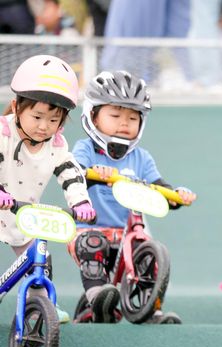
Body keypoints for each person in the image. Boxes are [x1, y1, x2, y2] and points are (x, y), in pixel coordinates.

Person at [67, 70, 196, 324]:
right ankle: (98, 296)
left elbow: (159, 186)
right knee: (94, 245)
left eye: (132, 117)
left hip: (126, 233)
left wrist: (176, 195)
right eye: (115, 115)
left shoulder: (141, 158)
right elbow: (74, 174)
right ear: (92, 115)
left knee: (149, 257)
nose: (124, 123)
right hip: (89, 230)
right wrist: (94, 174)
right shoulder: (85, 149)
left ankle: (151, 310)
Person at [0, 54, 97, 324]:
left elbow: (70, 173)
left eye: (53, 120)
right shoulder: (3, 133)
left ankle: (42, 306)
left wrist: (80, 204)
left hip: (21, 213)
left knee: (39, 260)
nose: (44, 126)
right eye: (37, 116)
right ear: (16, 106)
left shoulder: (56, 145)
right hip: (3, 203)